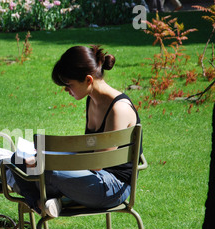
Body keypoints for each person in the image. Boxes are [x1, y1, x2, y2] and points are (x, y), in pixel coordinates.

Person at [10, 45, 142, 218]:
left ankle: (47, 202)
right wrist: (41, 156)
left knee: (48, 170)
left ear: (88, 80)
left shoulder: (119, 109)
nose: (66, 90)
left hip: (112, 186)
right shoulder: (92, 101)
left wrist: (48, 160)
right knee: (17, 160)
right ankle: (47, 203)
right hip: (89, 178)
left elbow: (97, 163)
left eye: (69, 84)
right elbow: (88, 150)